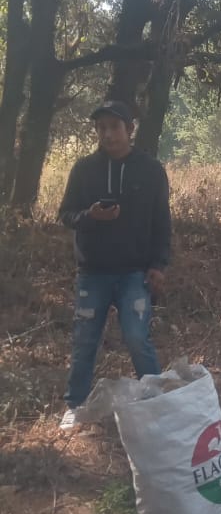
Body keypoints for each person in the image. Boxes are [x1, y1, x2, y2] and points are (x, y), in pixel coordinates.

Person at [58, 100, 171, 430]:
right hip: (92, 273)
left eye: (113, 127)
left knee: (137, 338)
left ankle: (158, 403)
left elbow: (162, 223)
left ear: (129, 129)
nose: (107, 134)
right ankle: (75, 405)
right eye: (101, 128)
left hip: (134, 272)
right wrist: (90, 216)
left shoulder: (151, 170)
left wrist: (159, 265)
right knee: (84, 340)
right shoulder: (84, 169)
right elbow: (65, 215)